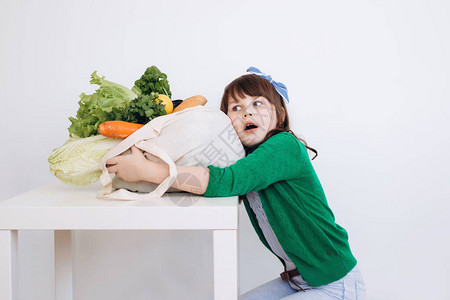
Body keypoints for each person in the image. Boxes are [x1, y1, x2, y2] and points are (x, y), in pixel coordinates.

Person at [106, 67, 366, 299]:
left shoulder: (283, 145)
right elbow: (208, 176)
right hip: (299, 282)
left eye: (258, 104)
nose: (247, 112)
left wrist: (149, 170)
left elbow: (226, 181)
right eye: (236, 108)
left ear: (281, 115)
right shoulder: (245, 158)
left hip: (335, 284)